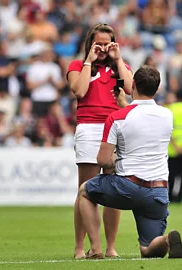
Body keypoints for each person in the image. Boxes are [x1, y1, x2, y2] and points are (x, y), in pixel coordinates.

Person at [77, 66, 182, 259]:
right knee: (148, 249)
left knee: (85, 192)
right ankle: (166, 240)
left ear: (133, 84)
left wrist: (114, 162)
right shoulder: (167, 115)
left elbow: (102, 160)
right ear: (157, 88)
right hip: (158, 191)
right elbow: (142, 121)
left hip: (128, 187)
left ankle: (95, 248)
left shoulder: (117, 117)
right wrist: (125, 105)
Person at [66, 23, 133, 259]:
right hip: (89, 128)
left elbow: (131, 88)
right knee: (85, 190)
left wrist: (118, 58)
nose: (103, 48)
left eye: (107, 44)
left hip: (115, 127)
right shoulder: (78, 66)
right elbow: (79, 91)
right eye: (99, 44)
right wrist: (88, 60)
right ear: (90, 44)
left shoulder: (120, 67)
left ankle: (110, 247)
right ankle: (80, 247)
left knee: (114, 190)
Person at [166, 90, 182, 203]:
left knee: (171, 176)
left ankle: (169, 197)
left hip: (172, 149)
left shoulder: (170, 110)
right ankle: (180, 197)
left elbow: (168, 130)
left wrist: (175, 146)